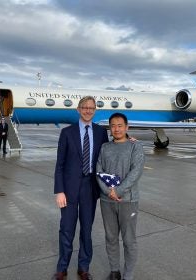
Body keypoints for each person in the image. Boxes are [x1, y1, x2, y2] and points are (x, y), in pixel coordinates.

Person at [53, 96, 109, 280]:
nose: (87, 110)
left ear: (95, 110)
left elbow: (108, 155)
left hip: (90, 187)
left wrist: (128, 140)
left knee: (87, 229)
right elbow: (59, 164)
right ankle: (62, 268)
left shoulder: (101, 132)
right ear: (78, 109)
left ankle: (83, 267)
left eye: (91, 108)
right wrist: (59, 190)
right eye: (84, 107)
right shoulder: (67, 133)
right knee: (67, 229)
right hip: (68, 189)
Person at [96, 112, 145, 280]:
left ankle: (128, 275)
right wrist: (107, 191)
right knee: (110, 237)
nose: (116, 129)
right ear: (109, 128)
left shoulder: (135, 147)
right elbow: (98, 171)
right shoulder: (104, 147)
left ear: (126, 127)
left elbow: (136, 172)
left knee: (129, 240)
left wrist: (118, 191)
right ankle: (114, 271)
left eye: (120, 125)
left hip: (128, 200)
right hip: (106, 200)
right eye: (113, 126)